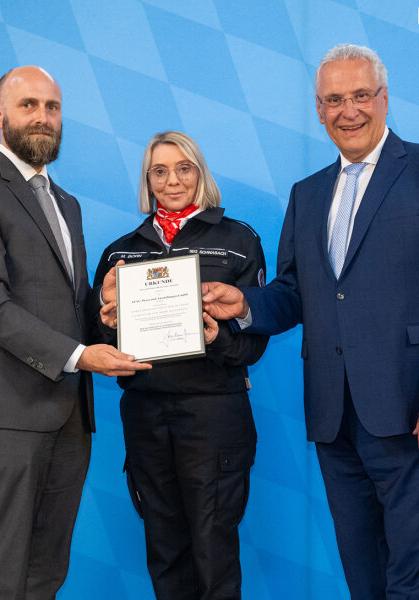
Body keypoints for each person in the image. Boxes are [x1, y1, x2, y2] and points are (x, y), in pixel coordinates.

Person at [202, 44, 419, 599]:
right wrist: (243, 305)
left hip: (414, 411)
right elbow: (294, 293)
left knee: (414, 578)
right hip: (334, 417)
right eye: (334, 100)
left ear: (384, 100)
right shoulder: (307, 194)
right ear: (318, 110)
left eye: (360, 95)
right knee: (364, 576)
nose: (348, 110)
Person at [0, 66, 151, 600]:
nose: (42, 118)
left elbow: (66, 304)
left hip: (69, 416)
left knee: (45, 573)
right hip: (8, 412)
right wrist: (81, 355)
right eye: (28, 105)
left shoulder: (67, 204)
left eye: (51, 107)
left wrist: (113, 313)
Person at [93, 131, 268, 600]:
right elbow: (98, 343)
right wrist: (107, 324)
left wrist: (217, 339)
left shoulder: (238, 241)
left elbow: (254, 343)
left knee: (214, 551)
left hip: (214, 417)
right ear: (148, 181)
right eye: (160, 171)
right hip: (147, 417)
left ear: (200, 173)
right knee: (164, 550)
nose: (173, 180)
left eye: (184, 168)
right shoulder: (119, 253)